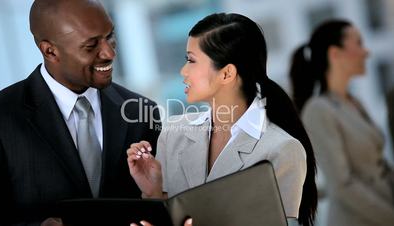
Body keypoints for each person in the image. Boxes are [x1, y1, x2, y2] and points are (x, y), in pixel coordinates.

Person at [127, 13, 318, 226]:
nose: (183, 71)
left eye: (191, 60)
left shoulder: (282, 149)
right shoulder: (173, 132)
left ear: (226, 74)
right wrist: (153, 191)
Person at [0, 0, 160, 224]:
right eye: (91, 46)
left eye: (110, 36)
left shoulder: (142, 111)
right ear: (50, 51)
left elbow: (158, 206)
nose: (109, 53)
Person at [290, 19, 394, 226]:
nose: (366, 52)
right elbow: (342, 185)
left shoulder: (355, 102)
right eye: (358, 43)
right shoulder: (318, 110)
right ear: (335, 54)